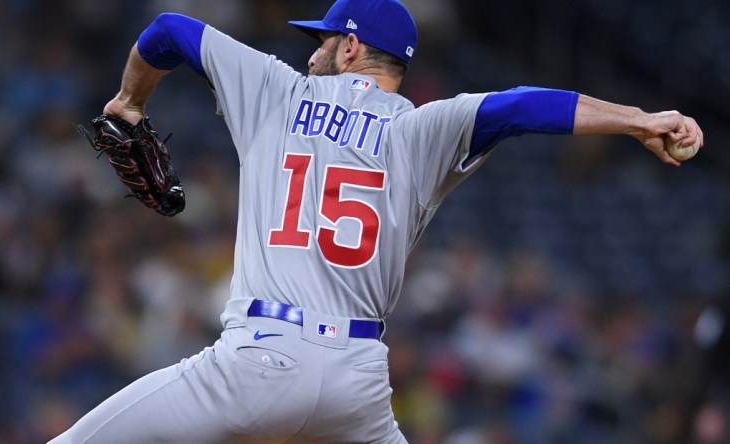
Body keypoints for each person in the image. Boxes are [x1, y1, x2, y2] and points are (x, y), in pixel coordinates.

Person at [51, 0, 703, 442]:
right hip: (357, 383)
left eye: (323, 41)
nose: (312, 54)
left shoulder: (281, 91)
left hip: (257, 360)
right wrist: (638, 118)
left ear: (352, 45)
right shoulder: (424, 126)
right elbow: (521, 105)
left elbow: (165, 31)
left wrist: (128, 102)